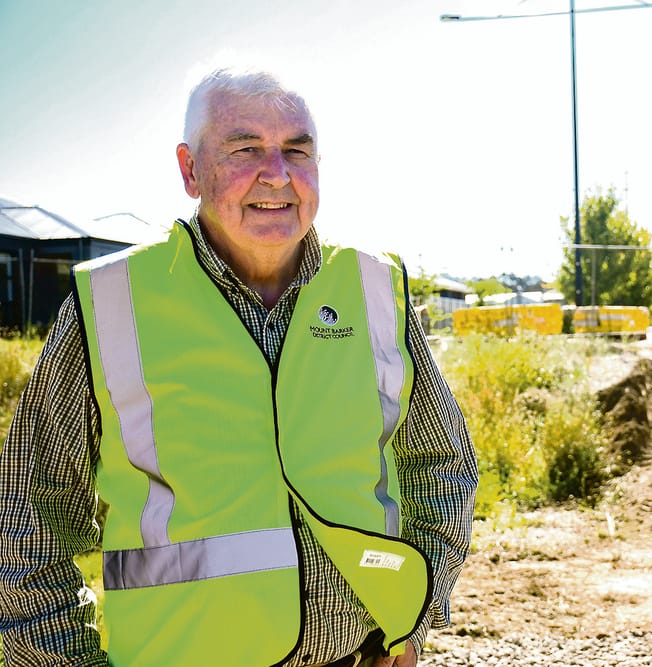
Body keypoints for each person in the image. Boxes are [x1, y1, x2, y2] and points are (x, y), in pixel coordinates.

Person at [0, 67, 478, 667]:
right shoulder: (111, 302)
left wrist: (414, 617)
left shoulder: (373, 287)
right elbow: (27, 517)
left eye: (296, 150)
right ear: (190, 170)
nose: (276, 175)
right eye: (245, 148)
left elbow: (444, 462)